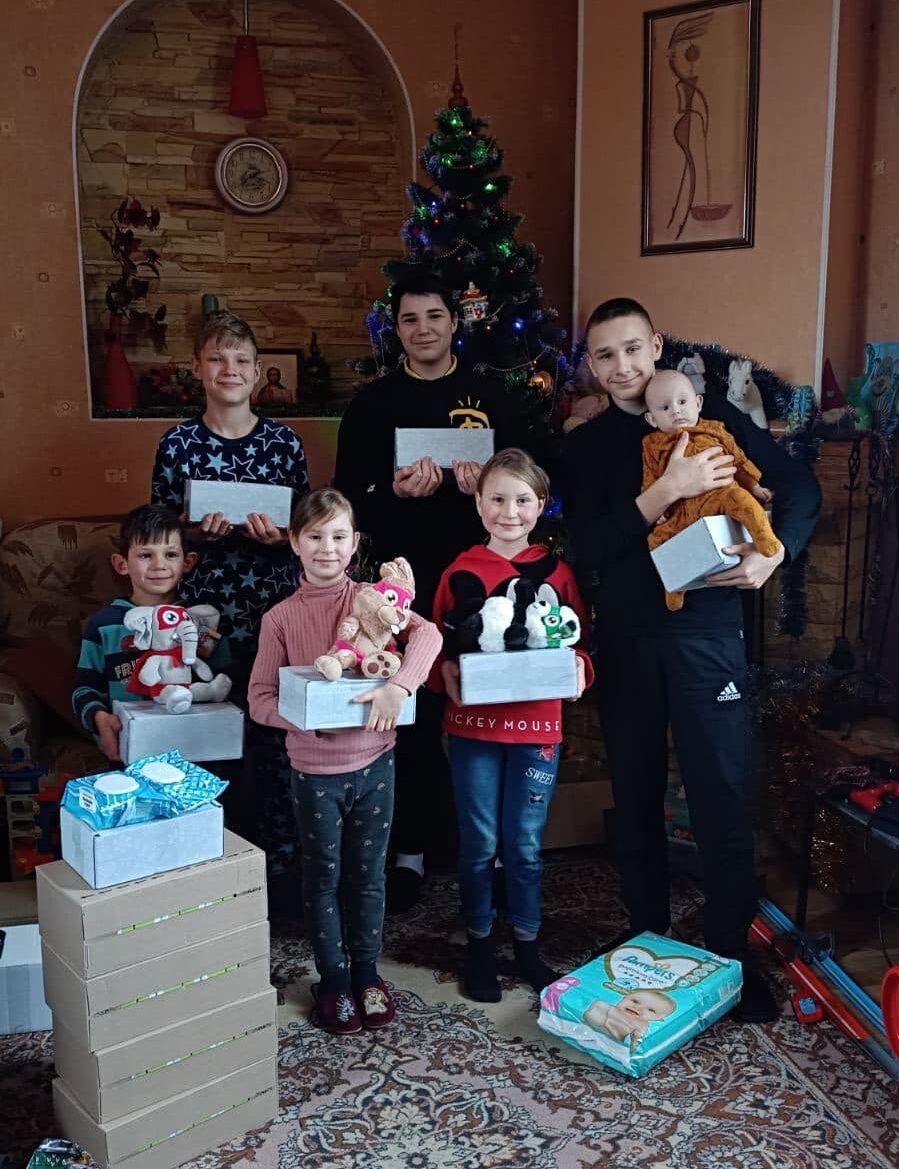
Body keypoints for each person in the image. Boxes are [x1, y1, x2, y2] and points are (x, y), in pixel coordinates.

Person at [561, 297, 821, 1023]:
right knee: (637, 791)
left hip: (709, 636)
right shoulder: (582, 446)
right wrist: (663, 494)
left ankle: (730, 952)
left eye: (634, 350)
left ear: (656, 346)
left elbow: (798, 487)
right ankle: (643, 934)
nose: (623, 367)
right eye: (606, 355)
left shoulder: (713, 421)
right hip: (627, 638)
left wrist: (774, 556)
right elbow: (586, 549)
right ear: (591, 364)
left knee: (722, 792)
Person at [334, 274, 545, 910]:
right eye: (408, 319)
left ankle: (494, 851)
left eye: (434, 315)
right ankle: (411, 852)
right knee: (415, 717)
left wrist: (487, 483)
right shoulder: (372, 404)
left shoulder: (490, 396)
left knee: (490, 708)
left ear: (456, 321)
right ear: (394, 330)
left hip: (484, 577)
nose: (422, 328)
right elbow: (350, 492)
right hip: (403, 583)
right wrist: (392, 492)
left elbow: (529, 478)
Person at [248, 488, 441, 1033]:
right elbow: (260, 698)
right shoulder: (280, 619)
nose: (327, 548)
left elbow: (427, 635)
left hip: (377, 763)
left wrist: (399, 688)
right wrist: (306, 717)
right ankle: (332, 978)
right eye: (314, 536)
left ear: (355, 544)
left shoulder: (376, 600)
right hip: (314, 772)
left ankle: (367, 972)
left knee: (369, 875)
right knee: (324, 877)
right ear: (294, 542)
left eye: (338, 536)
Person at [151, 311, 310, 892]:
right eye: (217, 358)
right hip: (204, 615)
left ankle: (282, 876)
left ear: (257, 370)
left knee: (274, 737)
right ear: (197, 368)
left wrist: (281, 538)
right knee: (208, 737)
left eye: (241, 359)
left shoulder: (284, 443)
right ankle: (207, 872)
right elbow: (163, 536)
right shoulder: (177, 444)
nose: (230, 370)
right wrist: (197, 534)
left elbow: (307, 533)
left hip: (276, 610)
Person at [431, 449, 593, 1002]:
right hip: (474, 729)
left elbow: (580, 647)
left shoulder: (559, 572)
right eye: (497, 499)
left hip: (536, 732)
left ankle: (526, 945)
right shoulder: (460, 570)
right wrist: (443, 672)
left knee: (523, 845)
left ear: (541, 506)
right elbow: (434, 647)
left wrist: (580, 670)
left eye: (522, 500)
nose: (509, 511)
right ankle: (479, 944)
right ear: (478, 505)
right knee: (478, 842)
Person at [72, 504, 228, 761]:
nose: (159, 565)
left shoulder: (200, 620)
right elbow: (84, 689)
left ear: (187, 562)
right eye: (146, 555)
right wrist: (99, 718)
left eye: (170, 554)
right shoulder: (104, 624)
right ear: (122, 564)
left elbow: (225, 682)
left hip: (196, 748)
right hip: (130, 748)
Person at [642, 369, 780, 610]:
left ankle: (767, 541)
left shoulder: (715, 430)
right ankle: (674, 585)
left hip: (719, 495)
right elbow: (650, 478)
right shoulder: (652, 445)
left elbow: (738, 459)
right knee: (658, 539)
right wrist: (660, 508)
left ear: (698, 403)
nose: (675, 410)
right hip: (680, 510)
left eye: (682, 402)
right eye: (664, 408)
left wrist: (754, 485)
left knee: (742, 501)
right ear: (652, 419)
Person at [583, 989, 676, 1047]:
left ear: (659, 1019)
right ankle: (593, 1022)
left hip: (614, 1036)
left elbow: (638, 1038)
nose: (637, 1008)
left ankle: (600, 1029)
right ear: (623, 998)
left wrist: (634, 1043)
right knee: (600, 1004)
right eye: (635, 1001)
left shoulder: (642, 1025)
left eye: (651, 1010)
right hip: (599, 1022)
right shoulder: (613, 1009)